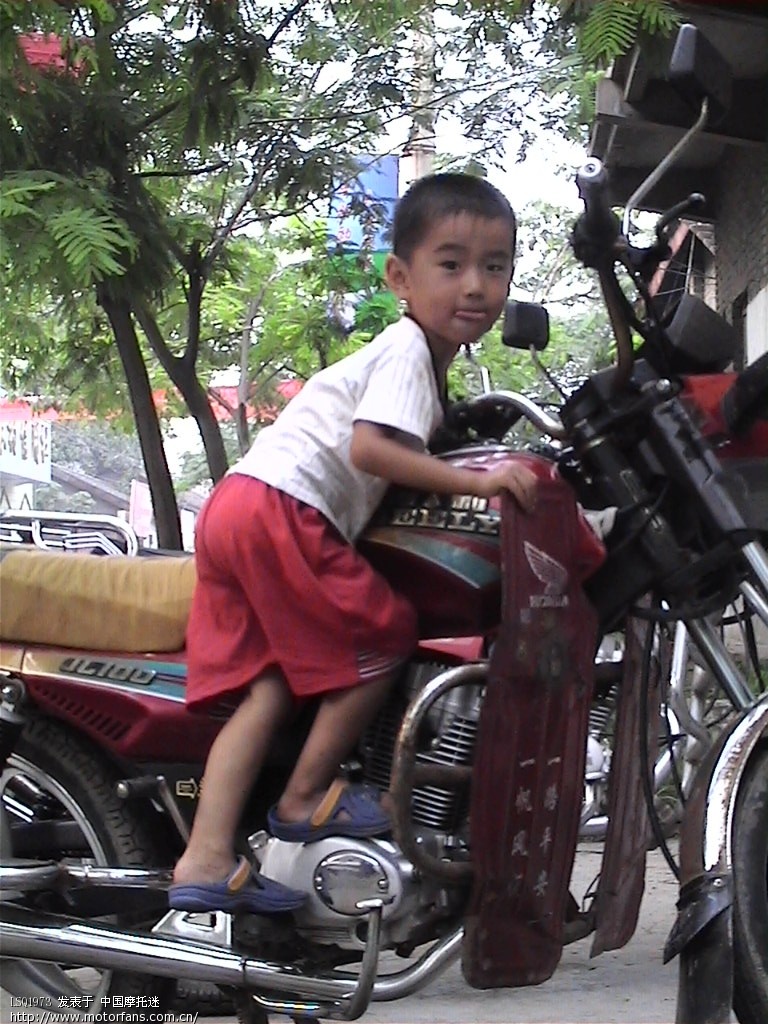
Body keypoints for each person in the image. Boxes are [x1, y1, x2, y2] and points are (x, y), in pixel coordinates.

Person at [168, 172, 538, 914]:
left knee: (273, 687)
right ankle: (305, 797)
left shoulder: (424, 363)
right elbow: (371, 450)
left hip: (243, 502)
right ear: (399, 276)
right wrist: (479, 483)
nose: (475, 286)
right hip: (284, 508)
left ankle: (204, 859)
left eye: (494, 267)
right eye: (451, 263)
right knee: (387, 630)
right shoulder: (406, 350)